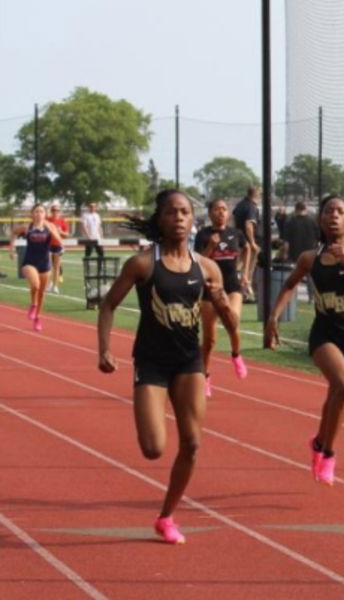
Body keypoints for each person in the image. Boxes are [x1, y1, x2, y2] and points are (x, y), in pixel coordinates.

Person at [97, 189, 240, 544]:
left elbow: (232, 325)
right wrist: (104, 349)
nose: (179, 218)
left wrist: (222, 303)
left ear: (194, 221)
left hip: (189, 362)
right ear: (159, 220)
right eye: (172, 212)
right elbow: (108, 305)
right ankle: (165, 508)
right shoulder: (144, 264)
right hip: (151, 362)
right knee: (153, 448)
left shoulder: (206, 268)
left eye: (185, 212)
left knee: (192, 444)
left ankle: (166, 516)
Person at [264, 195, 344, 486]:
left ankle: (319, 442)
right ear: (321, 219)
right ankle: (329, 453)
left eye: (340, 211)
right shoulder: (310, 258)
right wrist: (273, 319)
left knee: (339, 396)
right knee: (343, 385)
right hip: (324, 336)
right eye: (329, 211)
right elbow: (289, 285)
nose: (334, 215)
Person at [194, 198, 250, 397]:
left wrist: (245, 273)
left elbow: (248, 249)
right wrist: (210, 246)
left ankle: (235, 355)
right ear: (210, 213)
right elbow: (199, 262)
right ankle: (205, 377)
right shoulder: (203, 235)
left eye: (224, 209)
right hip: (209, 288)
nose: (221, 212)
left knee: (232, 322)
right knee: (209, 340)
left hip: (231, 285)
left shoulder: (236, 233)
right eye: (217, 209)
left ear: (228, 213)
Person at [8, 203, 62, 331]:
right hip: (29, 262)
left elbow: (59, 241)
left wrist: (53, 232)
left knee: (41, 292)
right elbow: (13, 233)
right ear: (32, 214)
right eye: (36, 211)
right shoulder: (27, 228)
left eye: (41, 212)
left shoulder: (50, 226)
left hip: (44, 263)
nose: (39, 214)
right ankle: (33, 305)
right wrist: (12, 249)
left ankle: (37, 318)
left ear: (45, 214)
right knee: (35, 285)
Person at [282, 201, 320, 301]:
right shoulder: (312, 221)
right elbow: (318, 238)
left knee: (293, 276)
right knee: (310, 277)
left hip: (294, 253)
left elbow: (286, 241)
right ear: (305, 208)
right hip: (309, 252)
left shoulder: (290, 222)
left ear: (296, 209)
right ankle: (311, 297)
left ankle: (291, 297)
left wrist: (285, 253)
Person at [233, 186, 261, 302]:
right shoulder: (251, 207)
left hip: (237, 242)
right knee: (248, 270)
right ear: (256, 195)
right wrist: (253, 242)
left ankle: (242, 292)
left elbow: (233, 220)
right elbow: (248, 225)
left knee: (236, 268)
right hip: (247, 245)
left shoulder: (239, 205)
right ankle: (244, 294)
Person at [46, 202, 69, 294]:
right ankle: (48, 284)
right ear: (51, 211)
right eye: (54, 210)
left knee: (56, 267)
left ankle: (55, 286)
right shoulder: (47, 220)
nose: (56, 212)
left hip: (57, 245)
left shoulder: (62, 221)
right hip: (47, 245)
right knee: (47, 266)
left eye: (57, 210)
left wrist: (60, 232)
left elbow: (67, 234)